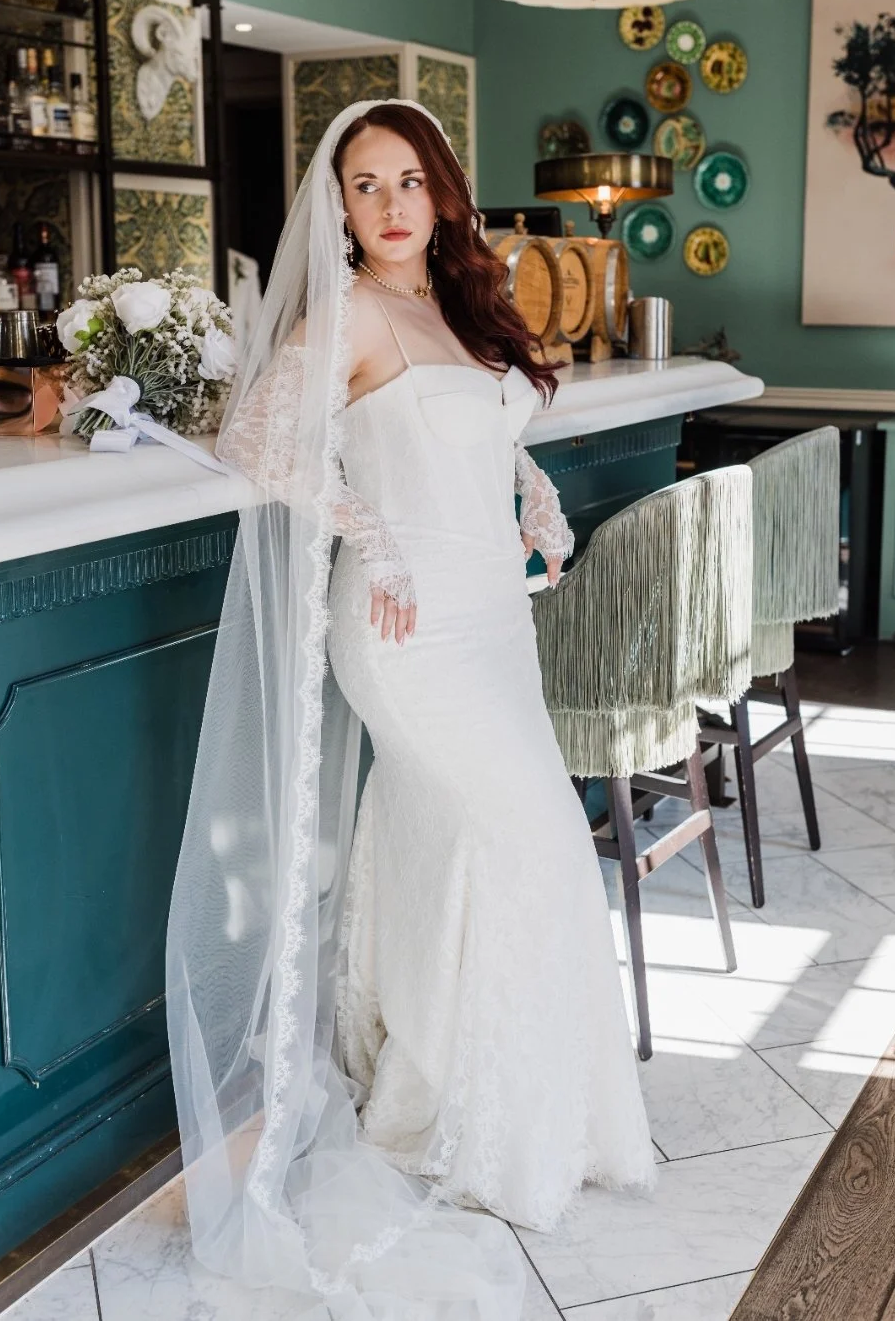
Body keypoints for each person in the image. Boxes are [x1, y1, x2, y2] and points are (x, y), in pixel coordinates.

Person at [165, 99, 656, 1319]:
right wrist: (368, 538)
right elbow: (259, 445)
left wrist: (533, 493)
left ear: (443, 194)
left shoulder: (457, 306)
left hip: (494, 624)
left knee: (466, 850)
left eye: (408, 182)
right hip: (406, 631)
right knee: (536, 840)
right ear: (338, 205)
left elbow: (476, 429)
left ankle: (491, 1098)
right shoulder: (349, 314)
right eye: (365, 185)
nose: (389, 206)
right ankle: (482, 1124)